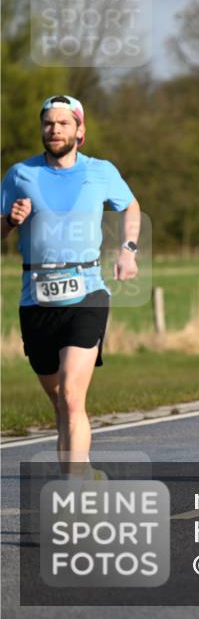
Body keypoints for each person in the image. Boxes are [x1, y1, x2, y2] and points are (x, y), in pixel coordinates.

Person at [1, 95, 141, 477]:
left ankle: (74, 494)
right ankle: (85, 473)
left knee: (73, 396)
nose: (55, 129)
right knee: (61, 401)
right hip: (36, 298)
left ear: (80, 131)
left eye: (63, 123)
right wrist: (10, 222)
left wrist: (128, 250)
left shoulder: (101, 172)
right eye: (48, 123)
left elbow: (130, 206)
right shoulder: (19, 175)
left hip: (88, 292)